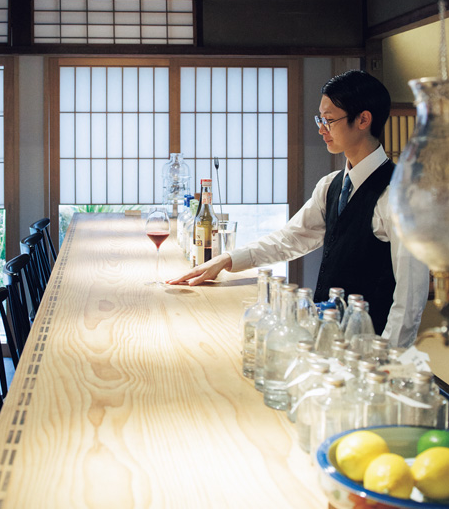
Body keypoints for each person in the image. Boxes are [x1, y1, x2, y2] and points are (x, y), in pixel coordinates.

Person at [168, 69, 428, 348]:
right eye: (320, 119)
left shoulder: (401, 194)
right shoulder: (332, 185)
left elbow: (411, 294)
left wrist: (388, 357)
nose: (321, 129)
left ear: (363, 119)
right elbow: (292, 238)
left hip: (369, 348)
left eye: (329, 120)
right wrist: (228, 259)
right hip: (327, 336)